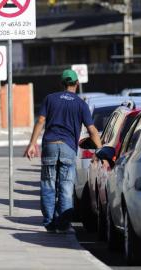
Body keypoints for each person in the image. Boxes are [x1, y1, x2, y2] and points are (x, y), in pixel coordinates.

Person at [24, 69, 102, 233]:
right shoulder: (81, 104)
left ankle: (49, 223)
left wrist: (32, 144)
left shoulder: (50, 99)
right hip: (68, 147)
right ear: (77, 84)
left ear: (61, 84)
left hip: (50, 145)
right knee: (66, 187)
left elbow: (40, 121)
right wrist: (101, 150)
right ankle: (64, 224)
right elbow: (92, 130)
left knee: (48, 185)